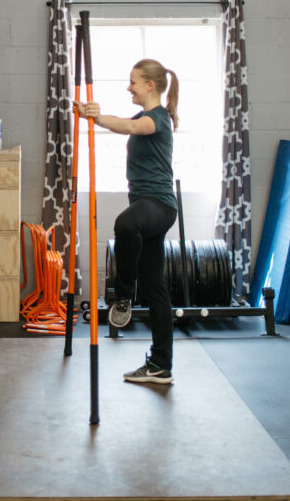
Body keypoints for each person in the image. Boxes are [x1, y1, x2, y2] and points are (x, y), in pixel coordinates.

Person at [75, 59, 179, 385]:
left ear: (150, 85)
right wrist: (92, 113)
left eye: (133, 81)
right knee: (157, 289)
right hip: (147, 208)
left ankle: (123, 296)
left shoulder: (157, 119)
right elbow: (127, 124)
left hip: (158, 206)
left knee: (124, 225)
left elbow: (133, 128)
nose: (129, 87)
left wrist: (96, 116)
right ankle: (160, 365)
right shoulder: (141, 116)